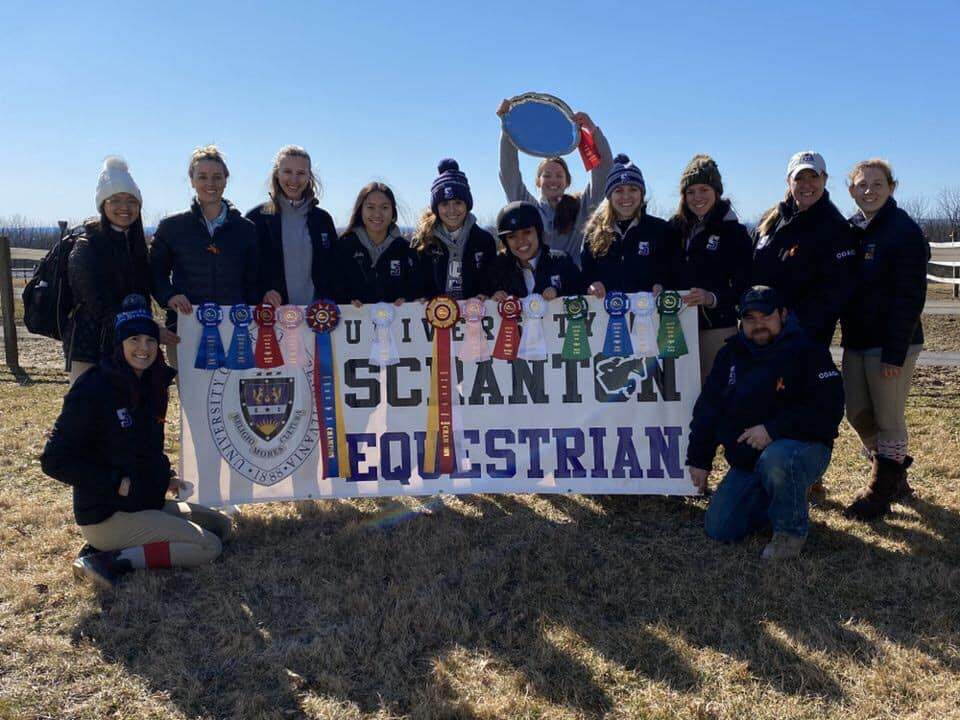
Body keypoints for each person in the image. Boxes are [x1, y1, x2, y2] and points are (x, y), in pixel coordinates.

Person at [41, 295, 233, 589]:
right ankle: (109, 559)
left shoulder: (152, 384)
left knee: (222, 527)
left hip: (143, 501)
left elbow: (143, 446)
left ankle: (116, 548)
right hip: (107, 514)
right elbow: (53, 461)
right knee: (208, 547)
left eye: (150, 340)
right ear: (120, 344)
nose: (143, 348)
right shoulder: (94, 388)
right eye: (134, 339)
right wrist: (113, 481)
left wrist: (165, 477)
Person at [686, 286, 844, 560]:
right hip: (748, 458)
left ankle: (789, 533)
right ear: (741, 322)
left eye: (766, 316)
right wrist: (699, 458)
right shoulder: (730, 355)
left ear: (783, 314)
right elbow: (709, 408)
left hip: (801, 448)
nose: (759, 325)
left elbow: (829, 408)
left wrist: (773, 430)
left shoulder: (808, 350)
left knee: (778, 460)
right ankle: (778, 499)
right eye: (750, 319)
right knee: (721, 527)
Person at [840, 160, 930, 520]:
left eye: (878, 184)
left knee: (888, 415)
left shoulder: (903, 231)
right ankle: (895, 473)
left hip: (894, 342)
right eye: (862, 185)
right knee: (858, 413)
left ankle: (880, 490)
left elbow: (910, 297)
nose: (869, 190)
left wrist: (895, 352)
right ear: (851, 190)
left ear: (892, 187)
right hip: (857, 339)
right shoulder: (853, 230)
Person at [149, 145, 259, 368]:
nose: (210, 184)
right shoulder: (172, 227)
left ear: (226, 179)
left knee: (229, 397)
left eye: (217, 177)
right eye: (202, 177)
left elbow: (255, 277)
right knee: (191, 399)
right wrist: (169, 296)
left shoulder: (246, 229)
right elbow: (154, 272)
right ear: (192, 180)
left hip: (236, 327)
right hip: (184, 327)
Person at [63, 157, 155, 386]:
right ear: (103, 205)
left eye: (131, 201)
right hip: (90, 346)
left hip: (130, 346)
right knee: (86, 414)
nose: (124, 207)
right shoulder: (87, 244)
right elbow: (96, 303)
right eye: (115, 200)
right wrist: (143, 328)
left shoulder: (139, 247)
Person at [752, 151, 857, 346]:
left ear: (824, 179)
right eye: (799, 178)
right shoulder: (772, 220)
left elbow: (836, 291)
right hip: (759, 332)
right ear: (788, 181)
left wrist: (791, 323)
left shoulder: (836, 227)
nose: (806, 185)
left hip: (804, 338)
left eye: (813, 177)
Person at [496, 99, 612, 268]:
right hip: (539, 290)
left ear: (567, 181)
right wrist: (507, 128)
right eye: (547, 175)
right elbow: (509, 174)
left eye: (559, 175)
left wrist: (592, 131)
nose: (553, 180)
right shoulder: (529, 210)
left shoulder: (581, 210)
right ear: (538, 181)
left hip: (575, 289)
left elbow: (604, 171)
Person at [668, 155, 753, 381]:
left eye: (704, 189)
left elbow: (744, 285)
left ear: (716, 191)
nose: (697, 197)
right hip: (674, 328)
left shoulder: (733, 232)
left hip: (716, 328)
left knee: (716, 394)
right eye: (691, 191)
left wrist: (711, 298)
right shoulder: (673, 229)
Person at [246, 145, 338, 307]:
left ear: (309, 176)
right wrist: (263, 291)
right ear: (277, 173)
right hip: (272, 318)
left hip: (318, 317)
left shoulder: (322, 220)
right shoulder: (257, 218)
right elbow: (247, 270)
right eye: (287, 172)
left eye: (301, 173)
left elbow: (334, 270)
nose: (294, 180)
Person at [581, 154, 673, 299]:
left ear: (641, 194)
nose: (626, 196)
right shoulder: (594, 232)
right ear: (610, 196)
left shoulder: (661, 229)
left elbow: (673, 270)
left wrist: (662, 284)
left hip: (651, 316)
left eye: (633, 189)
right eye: (619, 190)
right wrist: (591, 284)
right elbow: (584, 273)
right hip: (605, 317)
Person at [413, 159, 497, 300]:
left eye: (458, 203)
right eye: (445, 204)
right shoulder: (422, 241)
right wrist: (420, 297)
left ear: (467, 205)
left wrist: (486, 294)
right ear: (436, 208)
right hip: (433, 317)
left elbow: (491, 280)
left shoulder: (484, 240)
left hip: (474, 316)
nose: (452, 210)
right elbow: (415, 282)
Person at [332, 182, 419, 306]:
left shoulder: (406, 250)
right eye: (370, 207)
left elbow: (417, 289)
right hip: (355, 322)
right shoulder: (343, 247)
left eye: (384, 207)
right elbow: (333, 288)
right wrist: (347, 301)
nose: (377, 214)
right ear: (360, 210)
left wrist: (408, 299)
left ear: (393, 212)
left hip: (396, 323)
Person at [489, 201, 582, 301]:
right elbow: (482, 301)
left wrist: (559, 293)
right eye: (512, 236)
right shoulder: (498, 270)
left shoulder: (562, 262)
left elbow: (583, 295)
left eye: (527, 232)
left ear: (538, 232)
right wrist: (492, 300)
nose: (521, 240)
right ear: (505, 242)